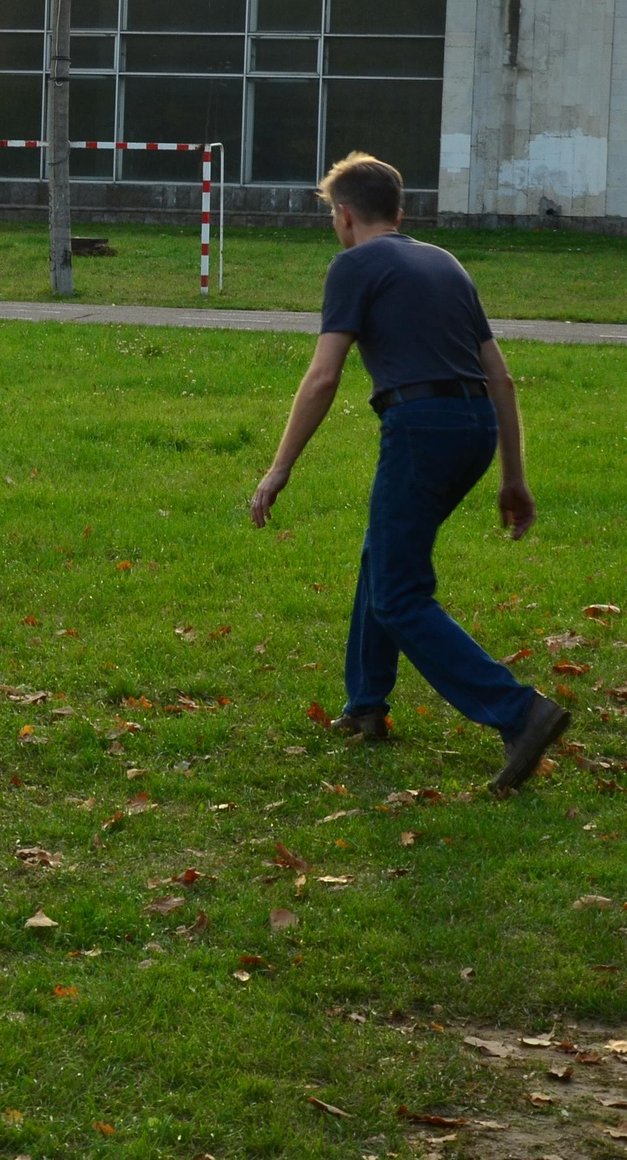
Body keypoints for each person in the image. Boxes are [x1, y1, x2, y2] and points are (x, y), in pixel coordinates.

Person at [248, 152, 571, 794]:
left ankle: (520, 712)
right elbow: (500, 376)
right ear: (400, 212)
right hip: (474, 427)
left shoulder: (354, 265)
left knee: (399, 593)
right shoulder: (444, 262)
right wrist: (513, 476)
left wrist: (279, 467)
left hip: (420, 428)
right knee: (384, 558)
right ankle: (365, 704)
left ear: (344, 216)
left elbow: (323, 376)